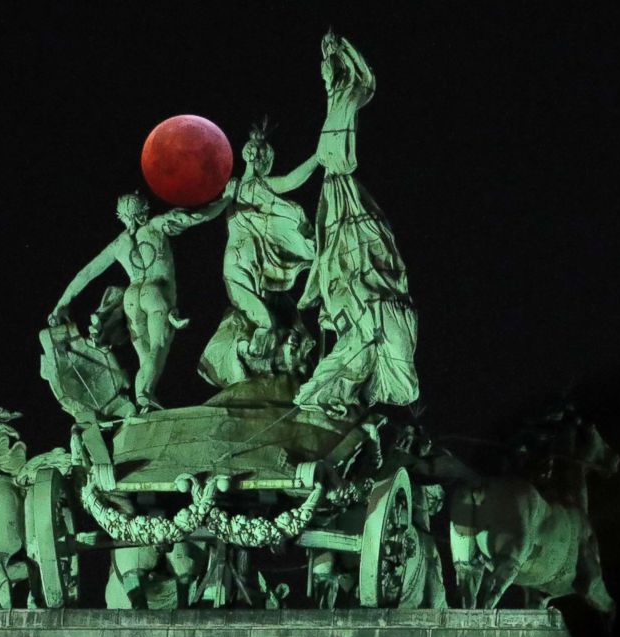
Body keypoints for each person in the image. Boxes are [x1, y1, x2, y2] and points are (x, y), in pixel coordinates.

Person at [295, 32, 420, 415]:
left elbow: (366, 81)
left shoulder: (350, 94)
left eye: (332, 72)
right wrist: (330, 60)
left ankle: (330, 391)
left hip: (341, 185)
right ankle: (322, 393)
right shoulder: (335, 97)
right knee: (343, 250)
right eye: (325, 73)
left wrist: (342, 51)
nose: (328, 76)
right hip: (335, 188)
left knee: (359, 245)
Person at [49, 192, 223, 410]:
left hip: (132, 297)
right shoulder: (157, 225)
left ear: (121, 216)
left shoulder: (119, 243)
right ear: (144, 211)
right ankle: (144, 394)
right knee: (159, 346)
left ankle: (144, 401)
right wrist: (225, 200)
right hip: (156, 292)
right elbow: (196, 217)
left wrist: (61, 304)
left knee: (145, 356)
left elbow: (87, 273)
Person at [198, 125, 320, 387]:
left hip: (260, 263)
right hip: (238, 261)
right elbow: (289, 181)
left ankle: (253, 358)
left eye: (260, 155)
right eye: (257, 155)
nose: (258, 159)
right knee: (261, 318)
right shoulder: (234, 186)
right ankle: (244, 356)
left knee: (263, 313)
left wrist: (319, 157)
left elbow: (291, 180)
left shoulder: (261, 185)